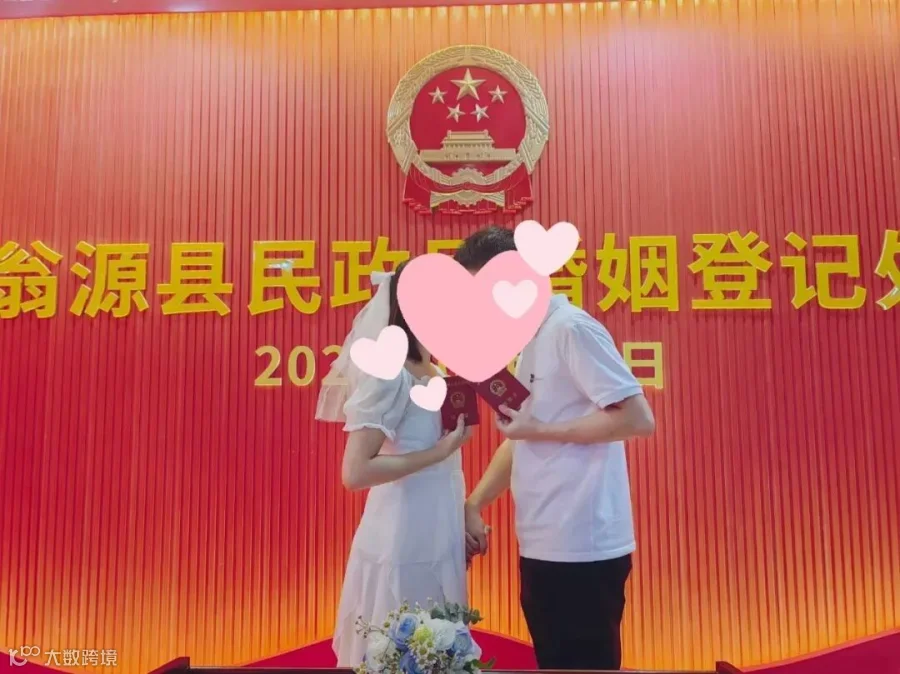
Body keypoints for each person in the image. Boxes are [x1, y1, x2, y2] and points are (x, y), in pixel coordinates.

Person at [458, 227, 656, 671]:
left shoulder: (571, 329)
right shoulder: (532, 340)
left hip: (583, 547)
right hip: (542, 540)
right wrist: (474, 503)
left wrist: (542, 429)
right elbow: (524, 436)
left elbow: (637, 419)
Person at [316, 262, 473, 667]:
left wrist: (463, 516)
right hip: (400, 536)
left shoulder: (435, 370)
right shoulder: (391, 373)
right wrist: (439, 452)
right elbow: (356, 472)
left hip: (438, 530)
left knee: (439, 648)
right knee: (398, 648)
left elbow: (445, 465)